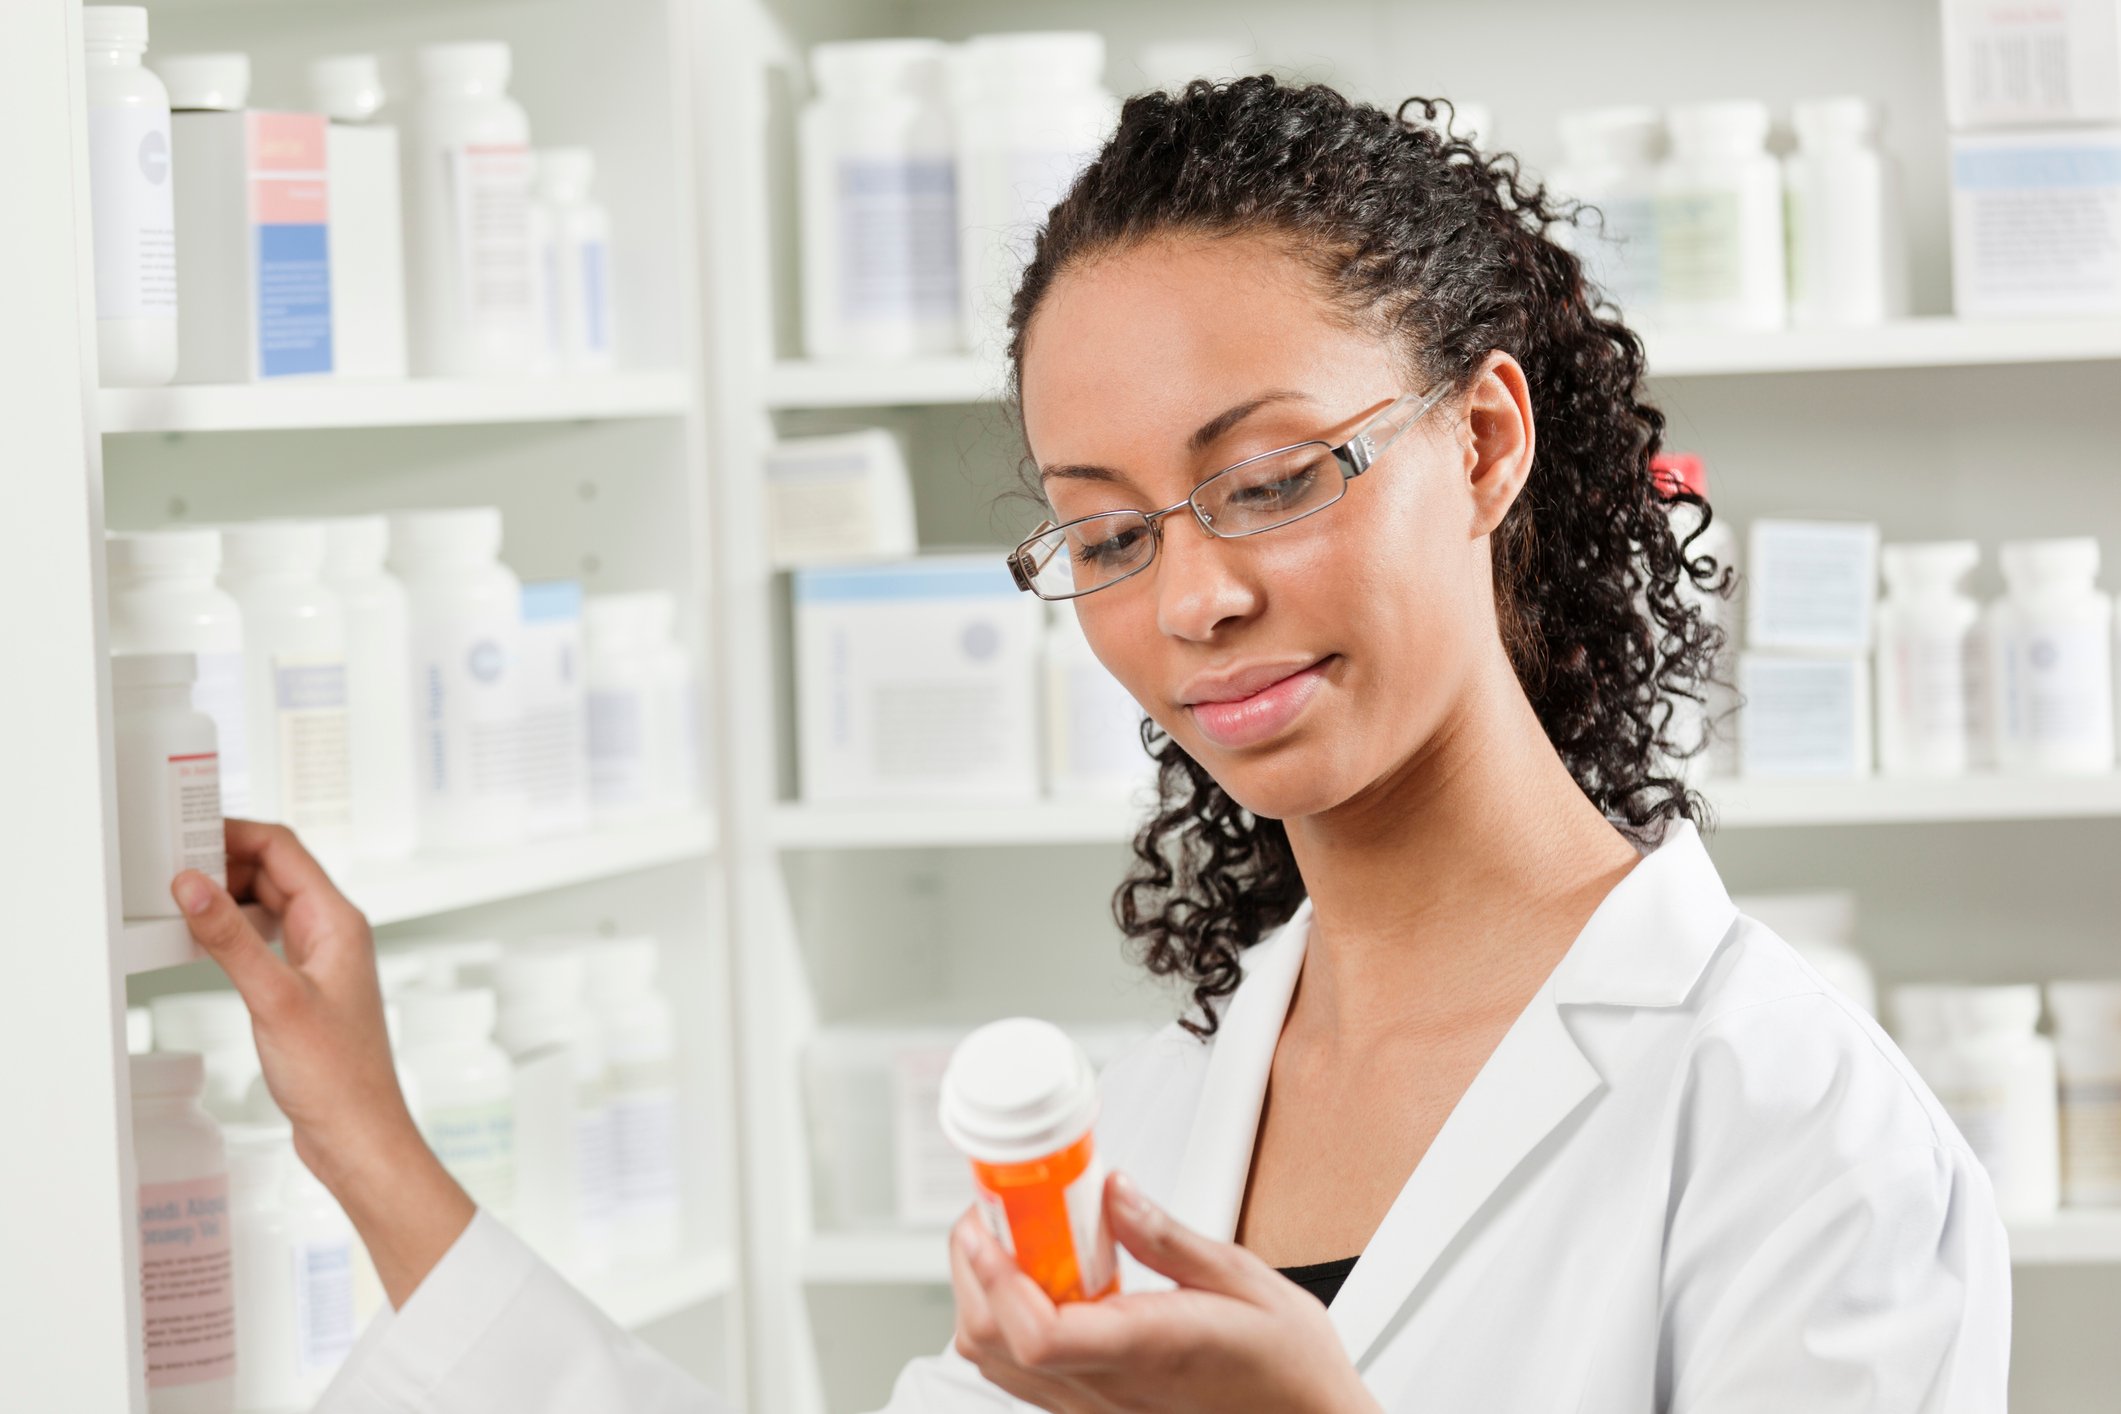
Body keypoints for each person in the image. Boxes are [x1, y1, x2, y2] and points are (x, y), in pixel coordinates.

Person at [173, 78, 2011, 1413]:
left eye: (1271, 480)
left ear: (1482, 442)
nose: (1191, 599)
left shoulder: (1793, 1129)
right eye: (1110, 533)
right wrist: (363, 1135)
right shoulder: (1163, 1115)